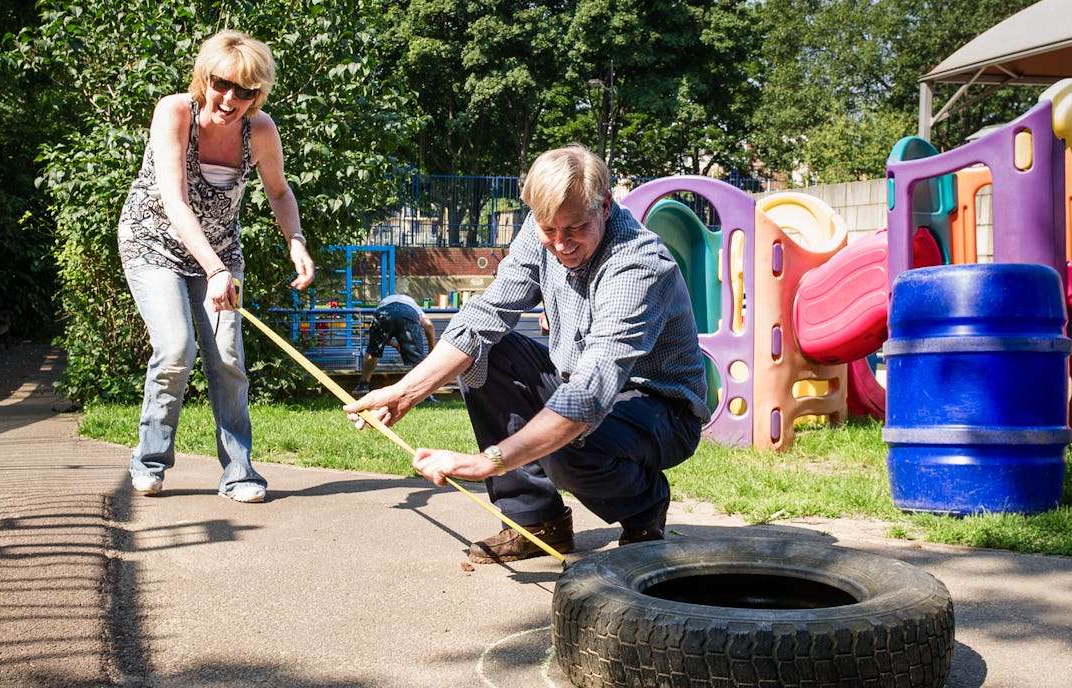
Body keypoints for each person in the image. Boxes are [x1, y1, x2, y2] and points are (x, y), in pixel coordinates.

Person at [344, 145, 708, 563]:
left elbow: (589, 395)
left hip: (658, 408)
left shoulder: (637, 265)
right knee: (484, 350)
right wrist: (405, 391)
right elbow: (482, 317)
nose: (560, 244)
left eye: (574, 228)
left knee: (569, 440)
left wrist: (488, 462)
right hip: (578, 382)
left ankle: (644, 504)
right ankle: (535, 520)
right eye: (548, 229)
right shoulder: (542, 234)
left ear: (605, 206)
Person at [118, 30, 314, 501]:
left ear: (258, 94)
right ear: (205, 78)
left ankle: (240, 473)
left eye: (247, 91)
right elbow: (175, 200)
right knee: (175, 349)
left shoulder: (260, 130)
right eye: (224, 84)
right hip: (153, 243)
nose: (231, 99)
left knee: (227, 359)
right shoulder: (175, 112)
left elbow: (280, 191)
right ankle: (149, 461)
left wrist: (297, 241)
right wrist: (213, 270)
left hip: (221, 254)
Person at [351, 293, 436, 396]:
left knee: (373, 351)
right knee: (416, 358)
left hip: (384, 313)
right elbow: (428, 325)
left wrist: (394, 344)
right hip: (408, 313)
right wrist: (432, 347)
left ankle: (363, 384)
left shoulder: (382, 305)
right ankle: (423, 393)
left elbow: (380, 334)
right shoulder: (413, 305)